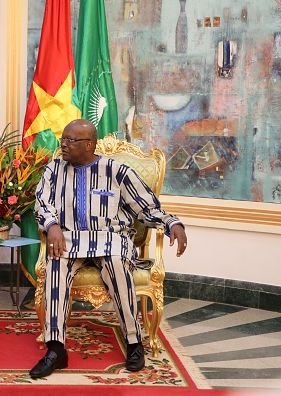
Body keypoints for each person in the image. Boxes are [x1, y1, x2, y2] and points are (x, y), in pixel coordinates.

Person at [29, 119, 187, 378]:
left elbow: (146, 207)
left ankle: (134, 343)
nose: (63, 145)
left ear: (89, 144)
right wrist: (52, 225)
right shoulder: (53, 170)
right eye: (63, 139)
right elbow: (42, 204)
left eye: (70, 140)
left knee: (116, 264)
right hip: (69, 238)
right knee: (55, 264)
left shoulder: (117, 171)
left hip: (110, 238)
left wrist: (172, 223)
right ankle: (56, 348)